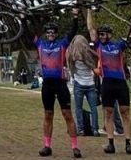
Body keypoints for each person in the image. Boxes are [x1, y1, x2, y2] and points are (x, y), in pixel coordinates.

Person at [89, 12, 131, 155]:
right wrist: (89, 11)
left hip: (120, 82)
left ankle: (128, 142)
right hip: (107, 83)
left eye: (104, 34)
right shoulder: (98, 45)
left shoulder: (118, 45)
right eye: (100, 34)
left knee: (125, 113)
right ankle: (110, 143)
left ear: (110, 34)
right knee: (108, 113)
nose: (101, 36)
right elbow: (91, 29)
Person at [35, 9, 81, 158]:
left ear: (56, 33)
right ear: (45, 33)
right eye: (48, 32)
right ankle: (47, 146)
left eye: (53, 32)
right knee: (48, 114)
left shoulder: (62, 43)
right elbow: (29, 34)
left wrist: (75, 17)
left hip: (60, 83)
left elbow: (73, 32)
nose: (50, 34)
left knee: (67, 114)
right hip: (47, 84)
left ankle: (75, 147)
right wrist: (24, 18)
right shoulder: (40, 43)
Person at [67, 34, 99, 137]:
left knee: (78, 108)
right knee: (93, 108)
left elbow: (70, 69)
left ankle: (81, 129)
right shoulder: (90, 54)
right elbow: (98, 60)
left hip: (79, 83)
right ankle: (95, 129)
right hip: (90, 83)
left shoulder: (71, 55)